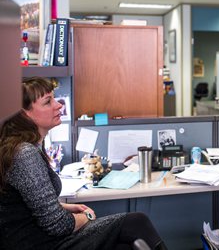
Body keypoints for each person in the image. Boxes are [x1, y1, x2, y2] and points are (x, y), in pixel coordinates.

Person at [0, 77, 167, 250]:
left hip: (35, 239)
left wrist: (61, 206)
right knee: (136, 222)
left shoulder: (23, 146)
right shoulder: (25, 153)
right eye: (47, 102)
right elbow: (58, 225)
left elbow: (22, 206)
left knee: (125, 246)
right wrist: (87, 215)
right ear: (24, 114)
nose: (59, 105)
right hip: (40, 243)